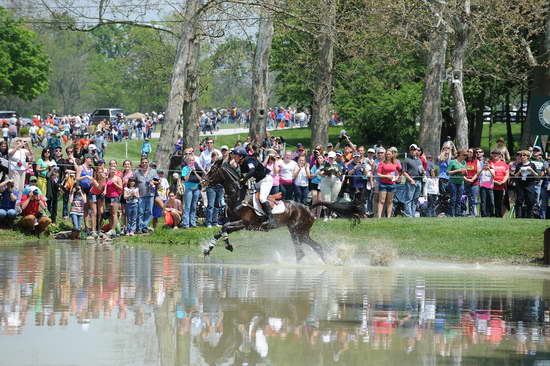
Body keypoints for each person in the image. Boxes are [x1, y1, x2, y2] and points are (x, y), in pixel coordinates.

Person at [234, 147, 275, 228]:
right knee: (253, 200)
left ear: (241, 156)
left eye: (236, 155)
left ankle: (271, 219)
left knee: (262, 198)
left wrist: (243, 180)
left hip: (265, 180)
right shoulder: (241, 164)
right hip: (257, 183)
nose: (234, 157)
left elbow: (252, 170)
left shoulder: (248, 160)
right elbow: (244, 177)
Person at [134, 157, 157, 233]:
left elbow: (158, 181)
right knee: (140, 211)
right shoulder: (137, 172)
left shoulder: (153, 171)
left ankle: (145, 226)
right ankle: (139, 227)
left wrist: (152, 182)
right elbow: (133, 182)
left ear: (148, 163)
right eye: (143, 162)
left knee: (149, 211)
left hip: (150, 194)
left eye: (146, 162)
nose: (144, 164)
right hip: (140, 195)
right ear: (140, 163)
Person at [513, 150, 538, 218]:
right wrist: (519, 171)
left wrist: (531, 170)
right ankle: (518, 217)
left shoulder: (532, 165)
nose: (522, 157)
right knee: (519, 201)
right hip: (520, 185)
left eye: (524, 155)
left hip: (530, 185)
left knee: (530, 201)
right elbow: (515, 176)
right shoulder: (519, 165)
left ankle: (529, 217)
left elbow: (536, 175)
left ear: (528, 157)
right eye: (521, 155)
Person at [376, 150, 400, 218]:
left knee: (390, 201)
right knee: (382, 201)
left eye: (389, 154)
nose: (387, 155)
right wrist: (387, 176)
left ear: (392, 155)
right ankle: (379, 217)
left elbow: (400, 171)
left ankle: (389, 217)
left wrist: (396, 177)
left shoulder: (395, 163)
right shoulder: (382, 163)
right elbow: (378, 174)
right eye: (386, 154)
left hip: (392, 184)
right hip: (383, 184)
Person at [319, 151, 343, 220]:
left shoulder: (338, 165)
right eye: (330, 158)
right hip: (326, 182)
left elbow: (340, 174)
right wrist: (326, 172)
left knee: (333, 199)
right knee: (326, 199)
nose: (331, 159)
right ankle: (326, 216)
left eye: (332, 158)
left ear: (335, 158)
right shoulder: (324, 164)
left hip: (336, 182)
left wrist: (336, 172)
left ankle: (330, 215)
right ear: (328, 157)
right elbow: (320, 173)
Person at [402, 144, 424, 218]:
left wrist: (423, 172)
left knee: (415, 199)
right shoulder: (406, 160)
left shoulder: (419, 160)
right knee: (409, 199)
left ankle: (413, 214)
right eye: (412, 149)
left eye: (414, 150)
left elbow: (421, 171)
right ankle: (408, 215)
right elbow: (404, 172)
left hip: (419, 181)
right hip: (411, 181)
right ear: (409, 151)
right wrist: (411, 180)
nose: (413, 151)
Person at [181, 155, 202, 229]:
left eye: (193, 160)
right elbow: (185, 179)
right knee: (187, 206)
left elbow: (200, 179)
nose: (191, 162)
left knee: (193, 206)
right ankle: (186, 224)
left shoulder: (197, 168)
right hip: (188, 189)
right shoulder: (185, 168)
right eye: (190, 160)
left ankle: (192, 223)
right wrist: (189, 171)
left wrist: (195, 172)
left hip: (196, 188)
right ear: (187, 161)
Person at [447, 149, 468, 217]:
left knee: (459, 199)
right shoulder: (452, 162)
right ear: (459, 155)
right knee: (453, 198)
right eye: (464, 155)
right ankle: (451, 213)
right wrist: (457, 170)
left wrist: (465, 173)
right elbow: (448, 172)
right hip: (453, 182)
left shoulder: (464, 162)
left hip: (461, 182)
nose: (465, 156)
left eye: (466, 155)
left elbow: (465, 174)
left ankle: (457, 213)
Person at [490, 149, 509, 217]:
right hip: (491, 186)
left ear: (500, 155)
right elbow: (486, 175)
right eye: (493, 153)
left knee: (499, 202)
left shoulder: (504, 164)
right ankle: (491, 215)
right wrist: (495, 182)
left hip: (501, 186)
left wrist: (503, 182)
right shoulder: (490, 163)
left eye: (497, 153)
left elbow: (507, 174)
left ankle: (498, 215)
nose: (495, 155)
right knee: (492, 202)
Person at [105, 166, 123, 235]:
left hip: (115, 196)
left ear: (116, 171)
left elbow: (121, 188)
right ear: (109, 170)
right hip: (107, 197)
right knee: (109, 213)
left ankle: (113, 229)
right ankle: (111, 228)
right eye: (111, 169)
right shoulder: (107, 178)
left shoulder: (117, 178)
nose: (112, 171)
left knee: (114, 213)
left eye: (114, 170)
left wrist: (115, 184)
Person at [464, 149, 481, 216]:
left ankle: (472, 213)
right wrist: (466, 179)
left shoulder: (477, 161)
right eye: (468, 151)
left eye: (470, 152)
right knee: (464, 198)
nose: (469, 153)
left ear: (473, 153)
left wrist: (472, 180)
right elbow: (461, 171)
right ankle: (463, 212)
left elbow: (478, 172)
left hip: (474, 183)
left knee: (473, 199)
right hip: (465, 182)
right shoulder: (464, 161)